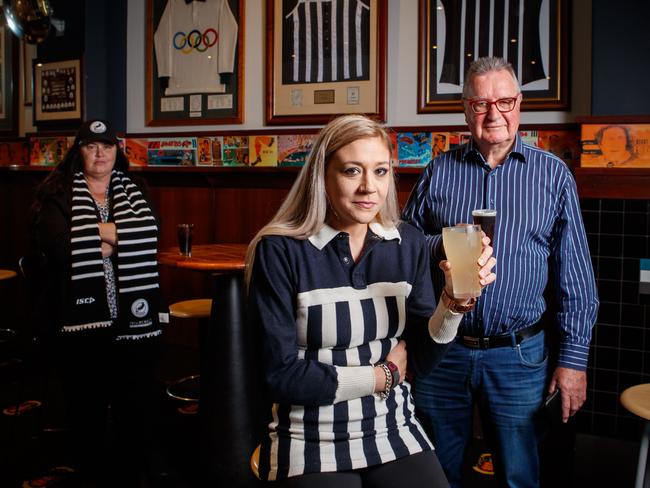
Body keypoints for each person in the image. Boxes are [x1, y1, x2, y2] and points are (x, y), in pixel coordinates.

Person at [245, 114, 497, 487]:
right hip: (309, 432)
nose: (369, 188)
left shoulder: (406, 242)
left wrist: (452, 304)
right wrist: (382, 376)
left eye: (380, 172)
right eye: (352, 171)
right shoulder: (280, 251)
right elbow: (280, 377)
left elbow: (424, 360)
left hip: (391, 425)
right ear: (322, 176)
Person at [402, 57, 599, 488]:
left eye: (505, 101)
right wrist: (439, 247)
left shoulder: (553, 175)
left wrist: (573, 360)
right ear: (466, 110)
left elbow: (577, 279)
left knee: (518, 476)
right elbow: (404, 247)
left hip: (519, 355)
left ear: (520, 104)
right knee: (434, 472)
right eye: (481, 104)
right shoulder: (439, 171)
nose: (494, 115)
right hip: (443, 349)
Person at [28, 119, 168, 487]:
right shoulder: (57, 193)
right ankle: (90, 471)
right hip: (77, 323)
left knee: (134, 404)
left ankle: (131, 470)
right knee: (85, 405)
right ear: (79, 152)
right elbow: (59, 250)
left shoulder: (135, 188)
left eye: (107, 146)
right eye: (91, 146)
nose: (100, 153)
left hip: (132, 319)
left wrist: (93, 237)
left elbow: (152, 234)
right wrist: (117, 239)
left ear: (117, 152)